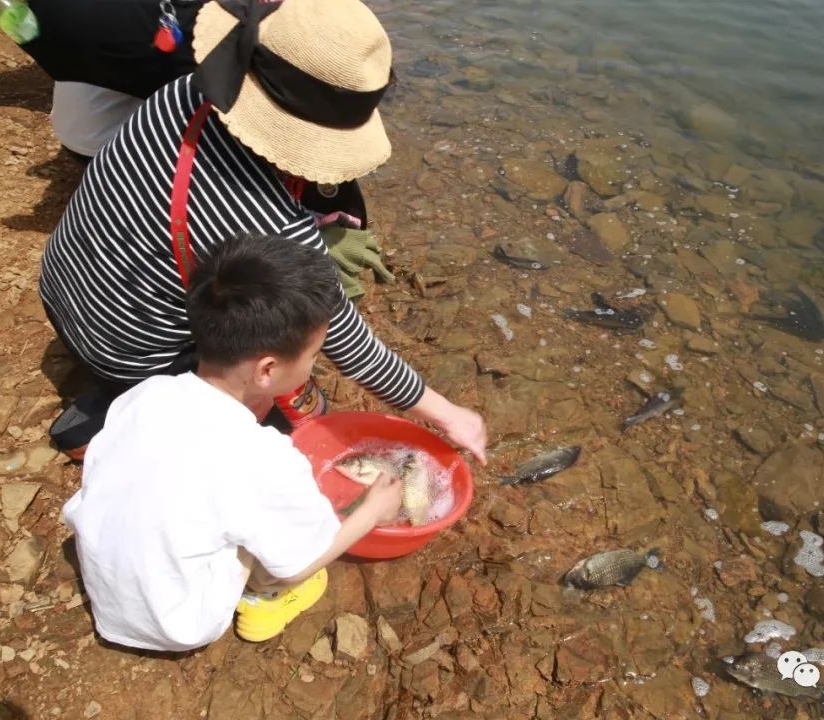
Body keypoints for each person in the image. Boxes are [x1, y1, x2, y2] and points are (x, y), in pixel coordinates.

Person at [38, 0, 487, 463]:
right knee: (277, 416)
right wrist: (445, 412)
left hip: (63, 284)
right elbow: (343, 337)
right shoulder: (268, 224)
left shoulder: (190, 92)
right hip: (122, 351)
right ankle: (109, 419)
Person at [63, 233, 404, 649]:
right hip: (179, 622)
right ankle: (266, 599)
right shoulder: (265, 457)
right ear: (266, 370)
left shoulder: (144, 394)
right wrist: (371, 512)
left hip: (112, 596)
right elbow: (296, 563)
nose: (315, 364)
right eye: (314, 356)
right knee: (300, 557)